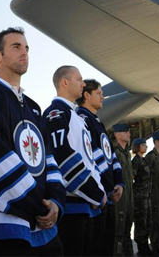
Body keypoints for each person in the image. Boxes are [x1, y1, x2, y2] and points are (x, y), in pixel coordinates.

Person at [0, 27, 65, 257]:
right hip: (6, 228)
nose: (24, 53)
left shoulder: (33, 106)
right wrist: (39, 208)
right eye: (16, 47)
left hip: (45, 228)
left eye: (26, 48)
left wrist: (55, 202)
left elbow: (48, 159)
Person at [42, 65, 106, 257]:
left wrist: (98, 192)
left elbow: (89, 161)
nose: (83, 84)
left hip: (84, 203)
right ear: (65, 82)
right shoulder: (56, 113)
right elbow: (63, 160)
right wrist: (95, 193)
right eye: (79, 79)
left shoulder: (75, 116)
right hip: (71, 207)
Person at [76, 79, 124, 256]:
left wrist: (120, 183)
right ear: (87, 95)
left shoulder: (98, 122)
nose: (103, 96)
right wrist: (111, 186)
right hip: (98, 197)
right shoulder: (82, 118)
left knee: (107, 246)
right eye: (99, 93)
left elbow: (111, 157)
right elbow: (94, 157)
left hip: (109, 193)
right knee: (96, 247)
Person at [131, 138, 156, 256]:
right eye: (143, 145)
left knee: (148, 222)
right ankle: (142, 249)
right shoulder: (136, 161)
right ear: (137, 147)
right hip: (139, 198)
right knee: (141, 223)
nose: (146, 146)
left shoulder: (144, 160)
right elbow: (131, 178)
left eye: (146, 145)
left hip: (147, 197)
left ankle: (146, 246)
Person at [112, 123, 134, 257]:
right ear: (118, 134)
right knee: (118, 231)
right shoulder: (114, 152)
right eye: (126, 132)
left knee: (127, 228)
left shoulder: (127, 153)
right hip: (120, 197)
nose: (129, 134)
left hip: (129, 196)